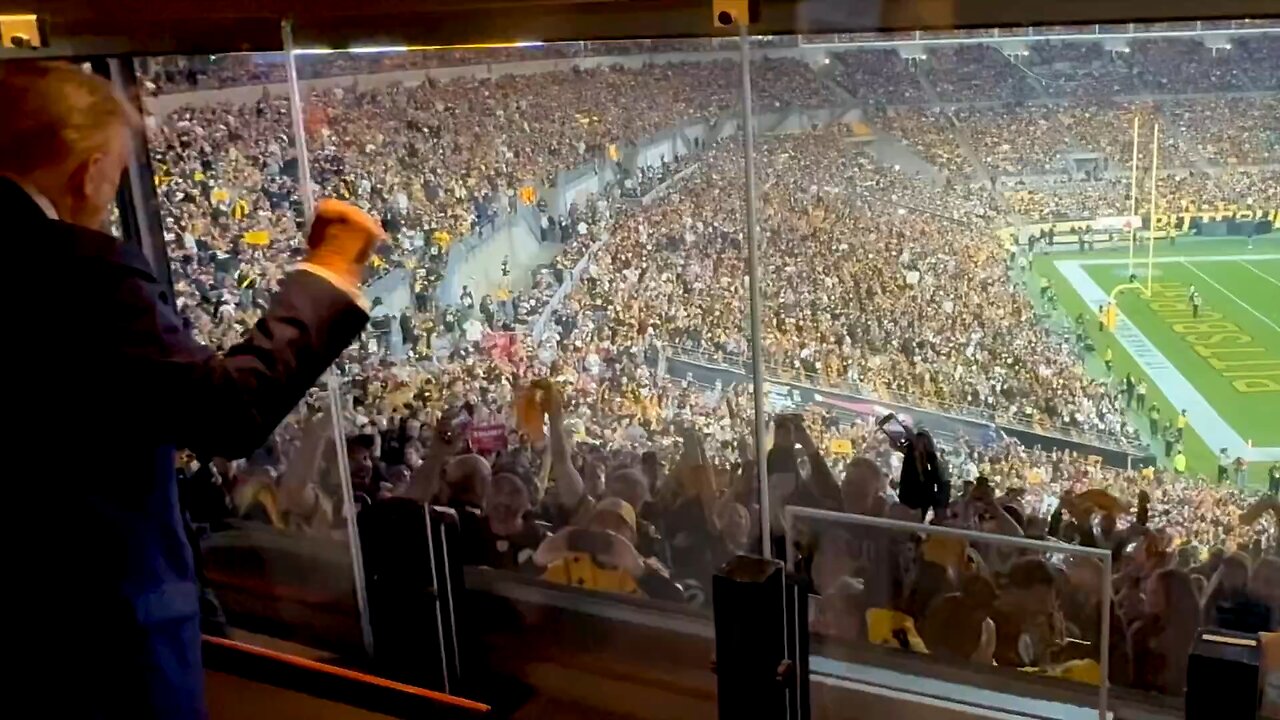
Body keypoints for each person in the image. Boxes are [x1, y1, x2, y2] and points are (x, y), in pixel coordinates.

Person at [5, 61, 382, 717]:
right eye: (117, 175)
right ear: (90, 171)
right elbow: (226, 413)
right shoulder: (73, 271)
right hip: (88, 633)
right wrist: (328, 272)